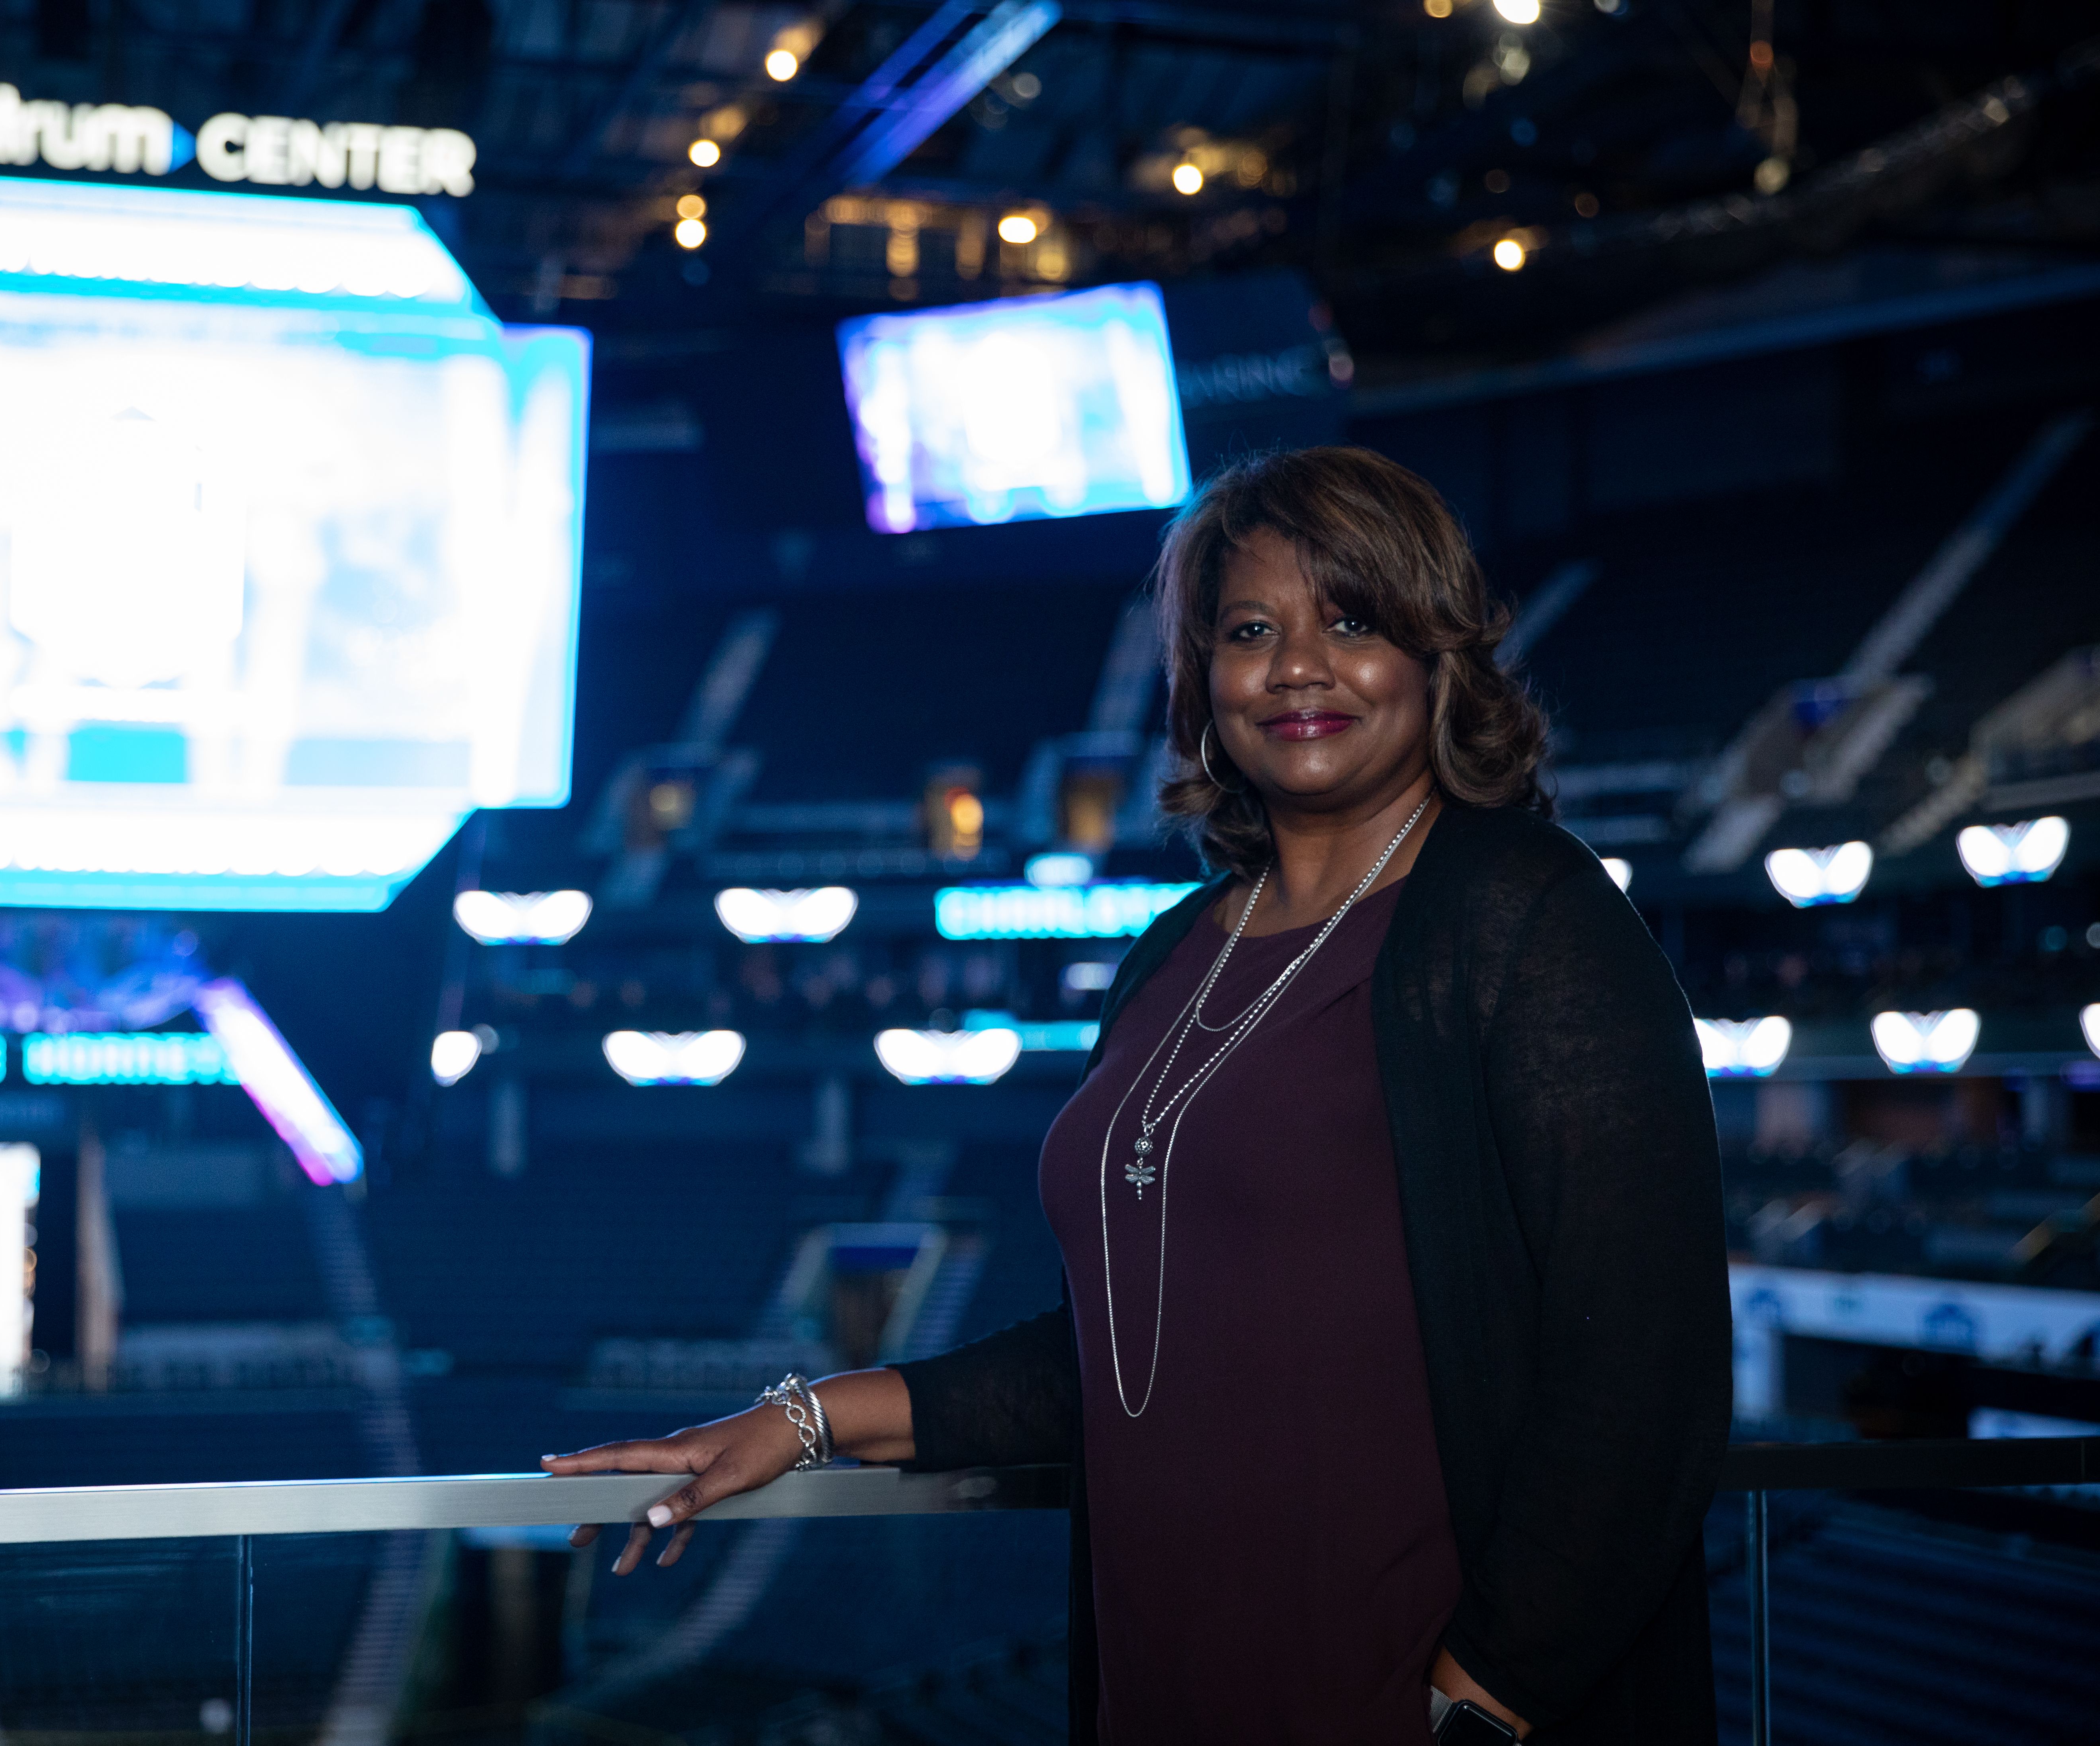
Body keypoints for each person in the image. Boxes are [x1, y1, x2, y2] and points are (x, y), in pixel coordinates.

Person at [542, 447, 1730, 1744]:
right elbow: (1128, 1350)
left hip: (1410, 1704)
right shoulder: (1172, 951)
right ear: (1201, 680)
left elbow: (1644, 1369)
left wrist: (1483, 1699)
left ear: (1434, 655)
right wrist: (803, 1419)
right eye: (1249, 630)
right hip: (1169, 1684)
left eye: (1351, 620)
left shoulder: (1525, 914)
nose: (1296, 668)